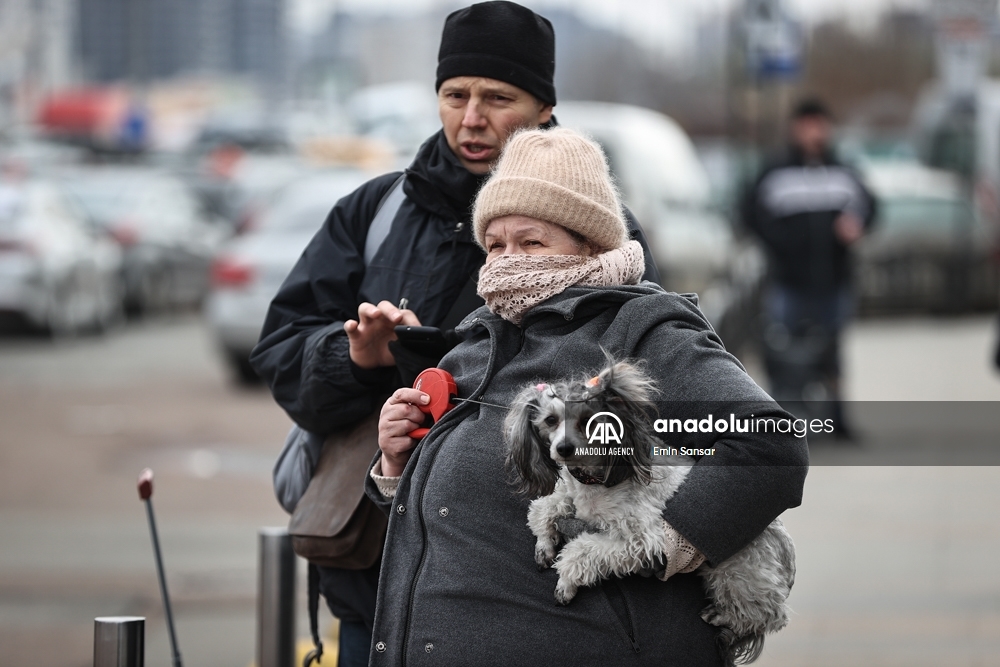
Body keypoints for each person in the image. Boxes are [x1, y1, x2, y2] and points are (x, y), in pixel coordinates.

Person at [249, 3, 659, 664]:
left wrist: (455, 367)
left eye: (498, 97)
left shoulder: (603, 233)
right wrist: (355, 358)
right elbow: (279, 352)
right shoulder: (373, 212)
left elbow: (632, 397)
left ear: (544, 108)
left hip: (532, 596)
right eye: (454, 95)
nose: (471, 118)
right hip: (376, 589)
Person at [364, 128, 808, 665]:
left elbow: (772, 447)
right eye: (496, 244)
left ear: (590, 243)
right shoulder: (477, 342)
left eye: (531, 243)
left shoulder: (642, 333)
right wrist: (397, 462)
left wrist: (665, 543)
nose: (509, 262)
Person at [742, 98, 876, 436]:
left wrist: (857, 224)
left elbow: (870, 207)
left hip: (834, 280)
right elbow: (749, 213)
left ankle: (837, 421)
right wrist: (782, 245)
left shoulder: (844, 172)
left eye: (821, 124)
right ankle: (784, 422)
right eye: (808, 124)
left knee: (833, 353)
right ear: (795, 128)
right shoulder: (775, 172)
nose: (815, 132)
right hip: (789, 281)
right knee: (785, 353)